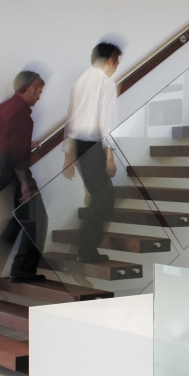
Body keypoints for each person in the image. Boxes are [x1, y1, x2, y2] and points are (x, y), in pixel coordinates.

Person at [64, 40, 121, 263]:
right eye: (117, 61)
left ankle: (87, 249)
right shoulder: (106, 82)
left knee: (101, 197)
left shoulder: (80, 82)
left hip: (78, 145)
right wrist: (110, 156)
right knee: (104, 199)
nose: (116, 66)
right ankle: (85, 250)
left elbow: (70, 119)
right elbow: (107, 122)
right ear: (110, 60)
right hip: (93, 146)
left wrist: (68, 154)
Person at [0, 69, 48, 282]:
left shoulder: (4, 107)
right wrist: (23, 183)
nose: (40, 96)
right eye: (40, 91)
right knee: (37, 219)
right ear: (31, 88)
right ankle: (22, 270)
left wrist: (26, 144)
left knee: (17, 221)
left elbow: (2, 140)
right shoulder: (22, 113)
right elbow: (15, 154)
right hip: (14, 170)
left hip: (0, 168)